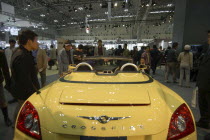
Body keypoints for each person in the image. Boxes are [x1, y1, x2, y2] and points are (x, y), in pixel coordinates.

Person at [10, 30, 40, 121]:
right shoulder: (23, 56)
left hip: (22, 90)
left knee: (21, 108)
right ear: (29, 41)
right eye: (36, 40)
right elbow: (25, 79)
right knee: (22, 112)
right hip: (25, 92)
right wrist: (35, 92)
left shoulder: (21, 52)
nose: (37, 43)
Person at [196, 31, 210, 130]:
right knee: (203, 103)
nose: (207, 39)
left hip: (208, 83)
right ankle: (204, 121)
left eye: (209, 36)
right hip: (203, 82)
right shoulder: (207, 49)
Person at [0, 51, 12, 126]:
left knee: (2, 101)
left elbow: (5, 69)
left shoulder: (0, 53)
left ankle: (6, 118)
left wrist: (8, 83)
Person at [4, 39, 17, 104]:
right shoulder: (6, 50)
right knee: (9, 83)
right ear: (9, 43)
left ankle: (15, 97)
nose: (13, 44)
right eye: (12, 43)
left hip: (14, 68)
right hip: (7, 68)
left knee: (13, 82)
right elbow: (5, 59)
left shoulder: (16, 50)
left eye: (14, 43)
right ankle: (14, 96)